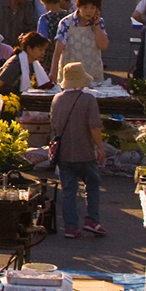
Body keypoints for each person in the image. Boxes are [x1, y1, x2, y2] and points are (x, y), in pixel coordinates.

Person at [50, 62, 106, 239]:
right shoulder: (88, 100)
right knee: (93, 183)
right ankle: (92, 220)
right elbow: (94, 127)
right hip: (85, 152)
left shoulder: (56, 99)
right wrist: (101, 148)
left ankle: (70, 227)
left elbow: (54, 125)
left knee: (68, 190)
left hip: (64, 154)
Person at [54, 0, 110, 85]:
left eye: (93, 8)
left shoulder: (99, 22)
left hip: (93, 75)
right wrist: (53, 73)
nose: (89, 11)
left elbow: (103, 46)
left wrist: (96, 25)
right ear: (78, 7)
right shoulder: (66, 22)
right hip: (70, 77)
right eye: (85, 7)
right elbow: (58, 51)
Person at [0, 31, 54, 98]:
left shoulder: (32, 63)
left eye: (44, 50)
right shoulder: (16, 63)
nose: (43, 53)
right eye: (40, 50)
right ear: (29, 48)